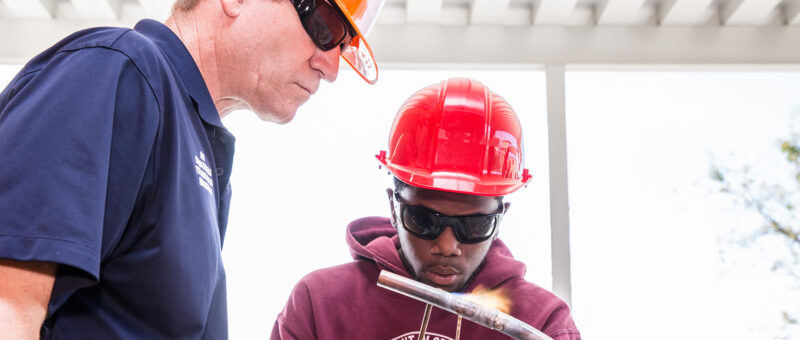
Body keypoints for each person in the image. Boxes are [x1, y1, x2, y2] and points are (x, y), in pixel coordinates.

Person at [0, 0, 385, 338]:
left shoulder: (198, 149)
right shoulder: (118, 72)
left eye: (344, 44)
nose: (332, 68)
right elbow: (9, 308)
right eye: (325, 25)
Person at [271, 78, 581, 339]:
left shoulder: (542, 321)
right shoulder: (322, 304)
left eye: (473, 226)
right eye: (424, 220)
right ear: (394, 207)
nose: (446, 247)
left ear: (499, 220)